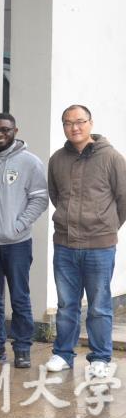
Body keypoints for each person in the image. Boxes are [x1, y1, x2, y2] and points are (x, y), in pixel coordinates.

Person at [45, 105, 126, 378]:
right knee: (66, 304)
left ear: (90, 123)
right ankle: (62, 354)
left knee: (99, 306)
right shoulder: (57, 159)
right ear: (63, 127)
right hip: (65, 245)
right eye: (68, 123)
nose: (74, 127)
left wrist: (107, 226)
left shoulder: (112, 158)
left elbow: (123, 199)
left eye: (80, 121)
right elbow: (56, 196)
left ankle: (100, 358)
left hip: (99, 247)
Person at [0, 113, 48, 369]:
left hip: (16, 244)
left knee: (19, 297)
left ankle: (23, 348)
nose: (0, 134)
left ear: (15, 130)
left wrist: (18, 225)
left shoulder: (30, 162)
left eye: (5, 129)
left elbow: (40, 198)